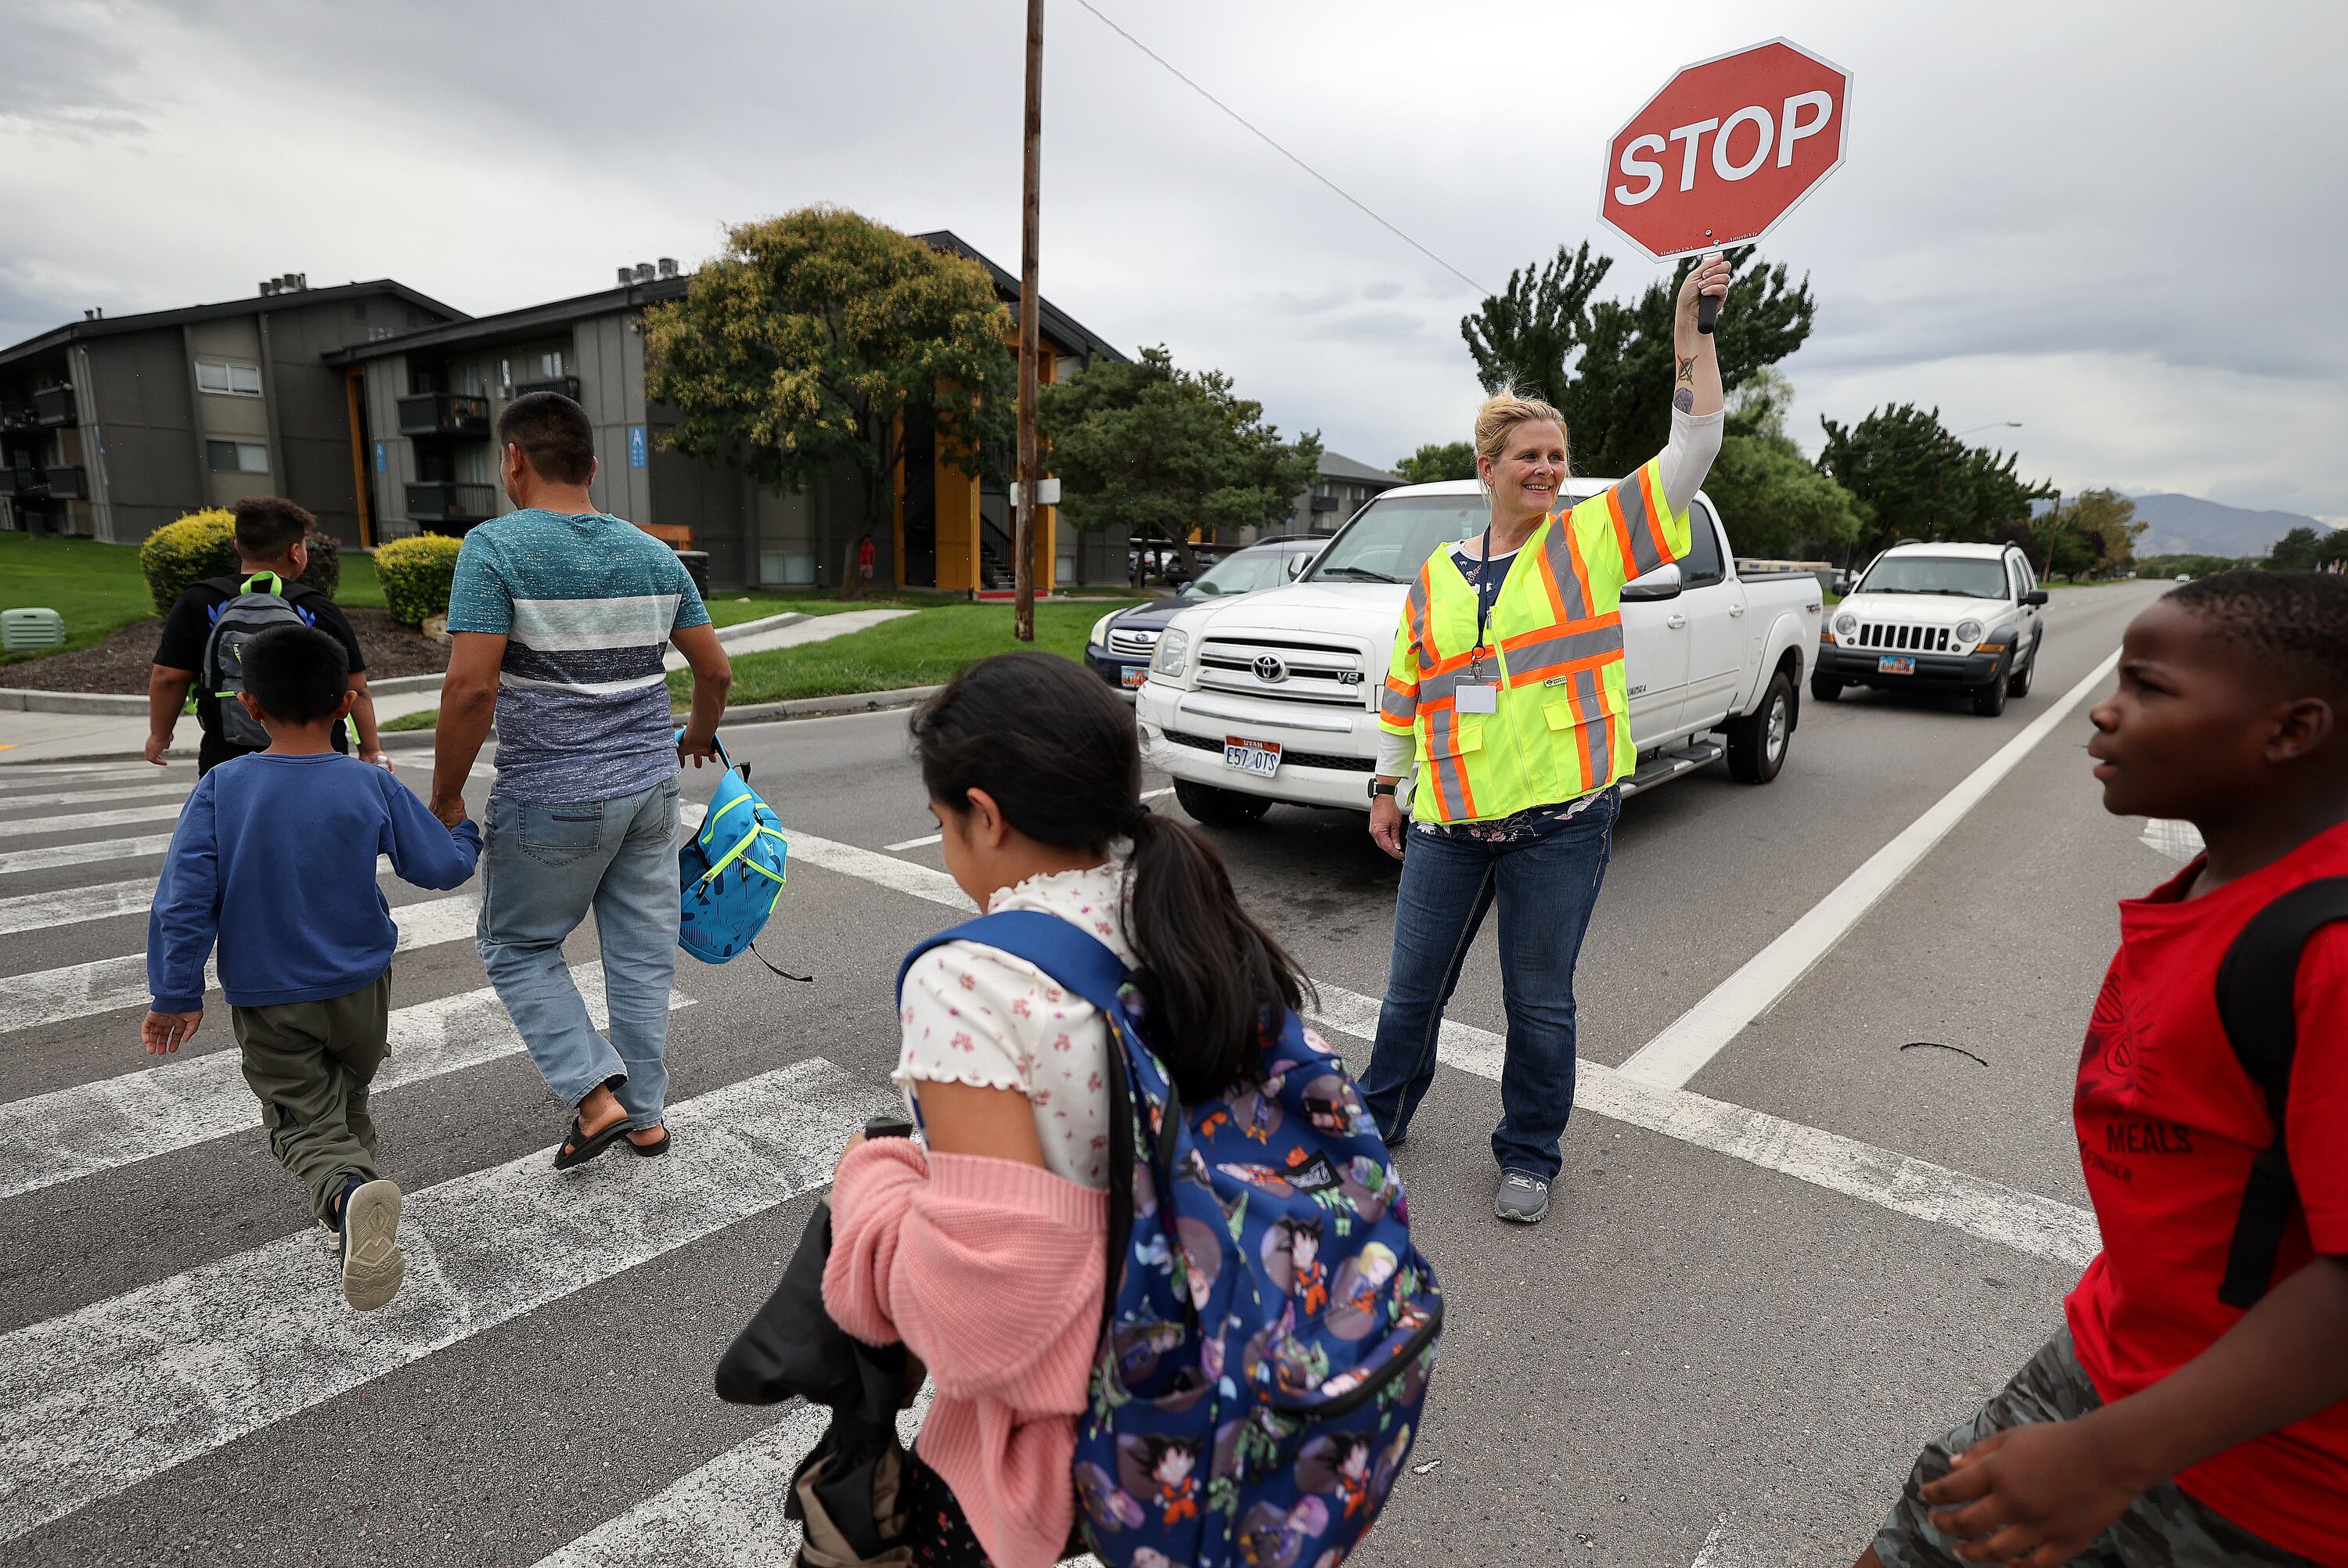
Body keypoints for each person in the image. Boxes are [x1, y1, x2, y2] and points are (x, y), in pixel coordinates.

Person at [1861, 572, 2348, 1568]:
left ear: (2291, 731)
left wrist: (2111, 1458)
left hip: (2267, 1488)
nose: (2105, 708)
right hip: (2112, 1368)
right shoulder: (2224, 880)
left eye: (2151, 688)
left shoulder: (2330, 951)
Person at [821, 651, 1306, 1567]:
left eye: (944, 824)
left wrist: (871, 1187)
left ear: (987, 818)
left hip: (1071, 1440)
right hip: (1223, 1373)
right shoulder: (1177, 907)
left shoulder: (971, 978)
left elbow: (987, 1323)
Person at [1357, 254, 1731, 1224]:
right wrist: (1385, 787)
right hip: (1447, 821)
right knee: (1408, 1000)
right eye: (1530, 456)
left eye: (1558, 457)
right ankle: (1375, 1125)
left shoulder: (1592, 537)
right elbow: (1405, 690)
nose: (1548, 471)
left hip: (1562, 820)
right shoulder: (1436, 574)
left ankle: (1529, 1152)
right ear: (1488, 468)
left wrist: (1693, 334)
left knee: (1541, 1006)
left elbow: (1694, 445)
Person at [428, 391, 733, 1169]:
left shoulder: (493, 550)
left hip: (551, 795)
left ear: (514, 460)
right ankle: (648, 1115)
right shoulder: (654, 555)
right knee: (639, 953)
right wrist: (697, 736)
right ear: (594, 467)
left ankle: (597, 1100)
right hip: (649, 791)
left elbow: (470, 690)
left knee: (517, 944)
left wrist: (446, 794)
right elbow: (715, 670)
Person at [141, 624, 481, 1311]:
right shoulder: (370, 784)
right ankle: (350, 1218)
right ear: (348, 703)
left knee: (301, 1116)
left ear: (250, 706)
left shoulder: (223, 788)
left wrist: (175, 992)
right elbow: (439, 866)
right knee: (346, 1096)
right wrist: (464, 827)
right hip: (362, 985)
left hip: (272, 995)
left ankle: (348, 1193)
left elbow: (183, 900)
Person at [146, 495, 391, 775]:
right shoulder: (316, 606)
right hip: (317, 759)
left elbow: (168, 678)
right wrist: (370, 749)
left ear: (238, 546)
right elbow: (356, 688)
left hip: (229, 756)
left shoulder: (199, 600)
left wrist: (159, 735)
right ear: (295, 551)